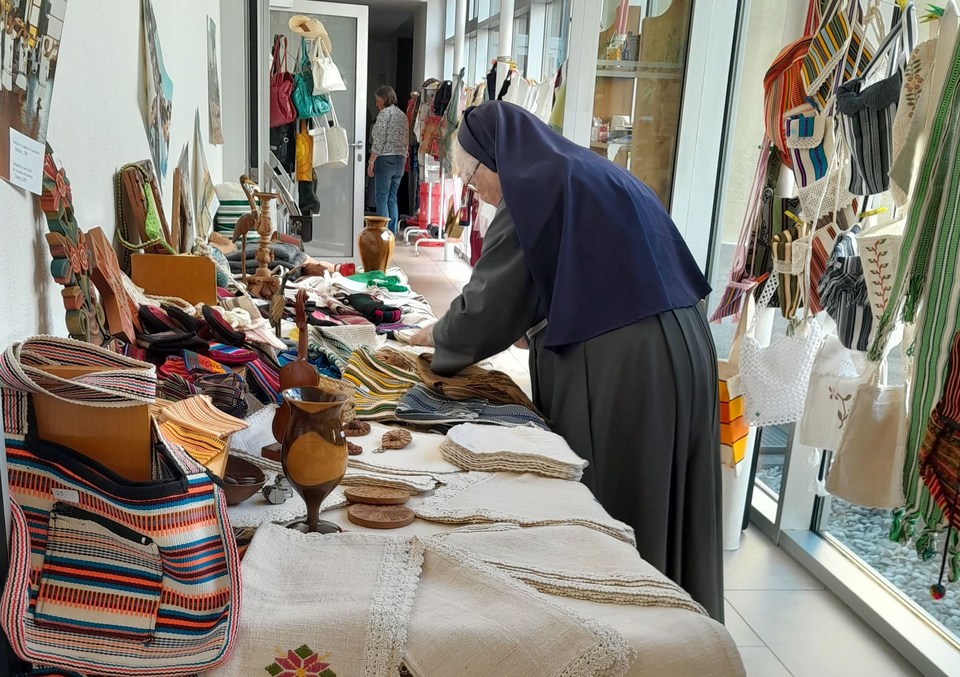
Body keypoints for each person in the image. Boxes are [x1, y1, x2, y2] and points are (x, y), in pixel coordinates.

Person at [410, 101, 724, 621]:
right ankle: (683, 622)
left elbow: (485, 310)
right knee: (677, 499)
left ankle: (635, 627)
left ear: (496, 157)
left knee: (618, 506)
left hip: (628, 363)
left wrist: (432, 339)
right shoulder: (585, 169)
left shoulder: (532, 191)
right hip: (686, 345)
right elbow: (583, 273)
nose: (473, 191)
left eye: (471, 176)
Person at [368, 85, 409, 234]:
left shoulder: (384, 114)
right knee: (392, 198)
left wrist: (371, 161)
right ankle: (392, 232)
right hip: (400, 160)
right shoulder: (402, 115)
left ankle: (382, 232)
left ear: (384, 99)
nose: (376, 104)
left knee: (382, 197)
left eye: (378, 100)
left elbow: (378, 141)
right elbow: (406, 139)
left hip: (385, 160)